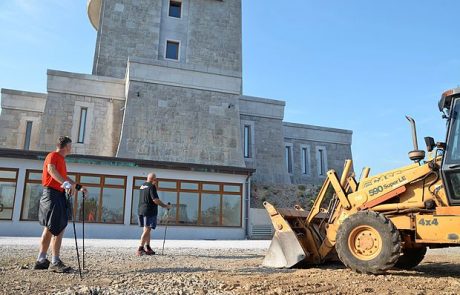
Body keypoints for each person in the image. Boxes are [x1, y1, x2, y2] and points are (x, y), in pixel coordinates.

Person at [34, 136, 87, 272]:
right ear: (66, 146)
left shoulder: (62, 160)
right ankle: (52, 260)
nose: (71, 148)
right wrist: (65, 184)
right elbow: (51, 171)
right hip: (52, 194)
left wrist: (78, 186)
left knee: (56, 226)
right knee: (53, 227)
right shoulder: (53, 155)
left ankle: (43, 259)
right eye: (70, 145)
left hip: (58, 194)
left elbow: (64, 177)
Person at [137, 173, 171, 256]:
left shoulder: (142, 186)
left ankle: (147, 247)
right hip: (149, 211)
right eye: (155, 179)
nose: (156, 181)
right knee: (147, 230)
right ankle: (140, 248)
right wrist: (165, 206)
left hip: (141, 210)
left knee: (147, 229)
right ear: (153, 179)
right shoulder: (151, 186)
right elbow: (155, 199)